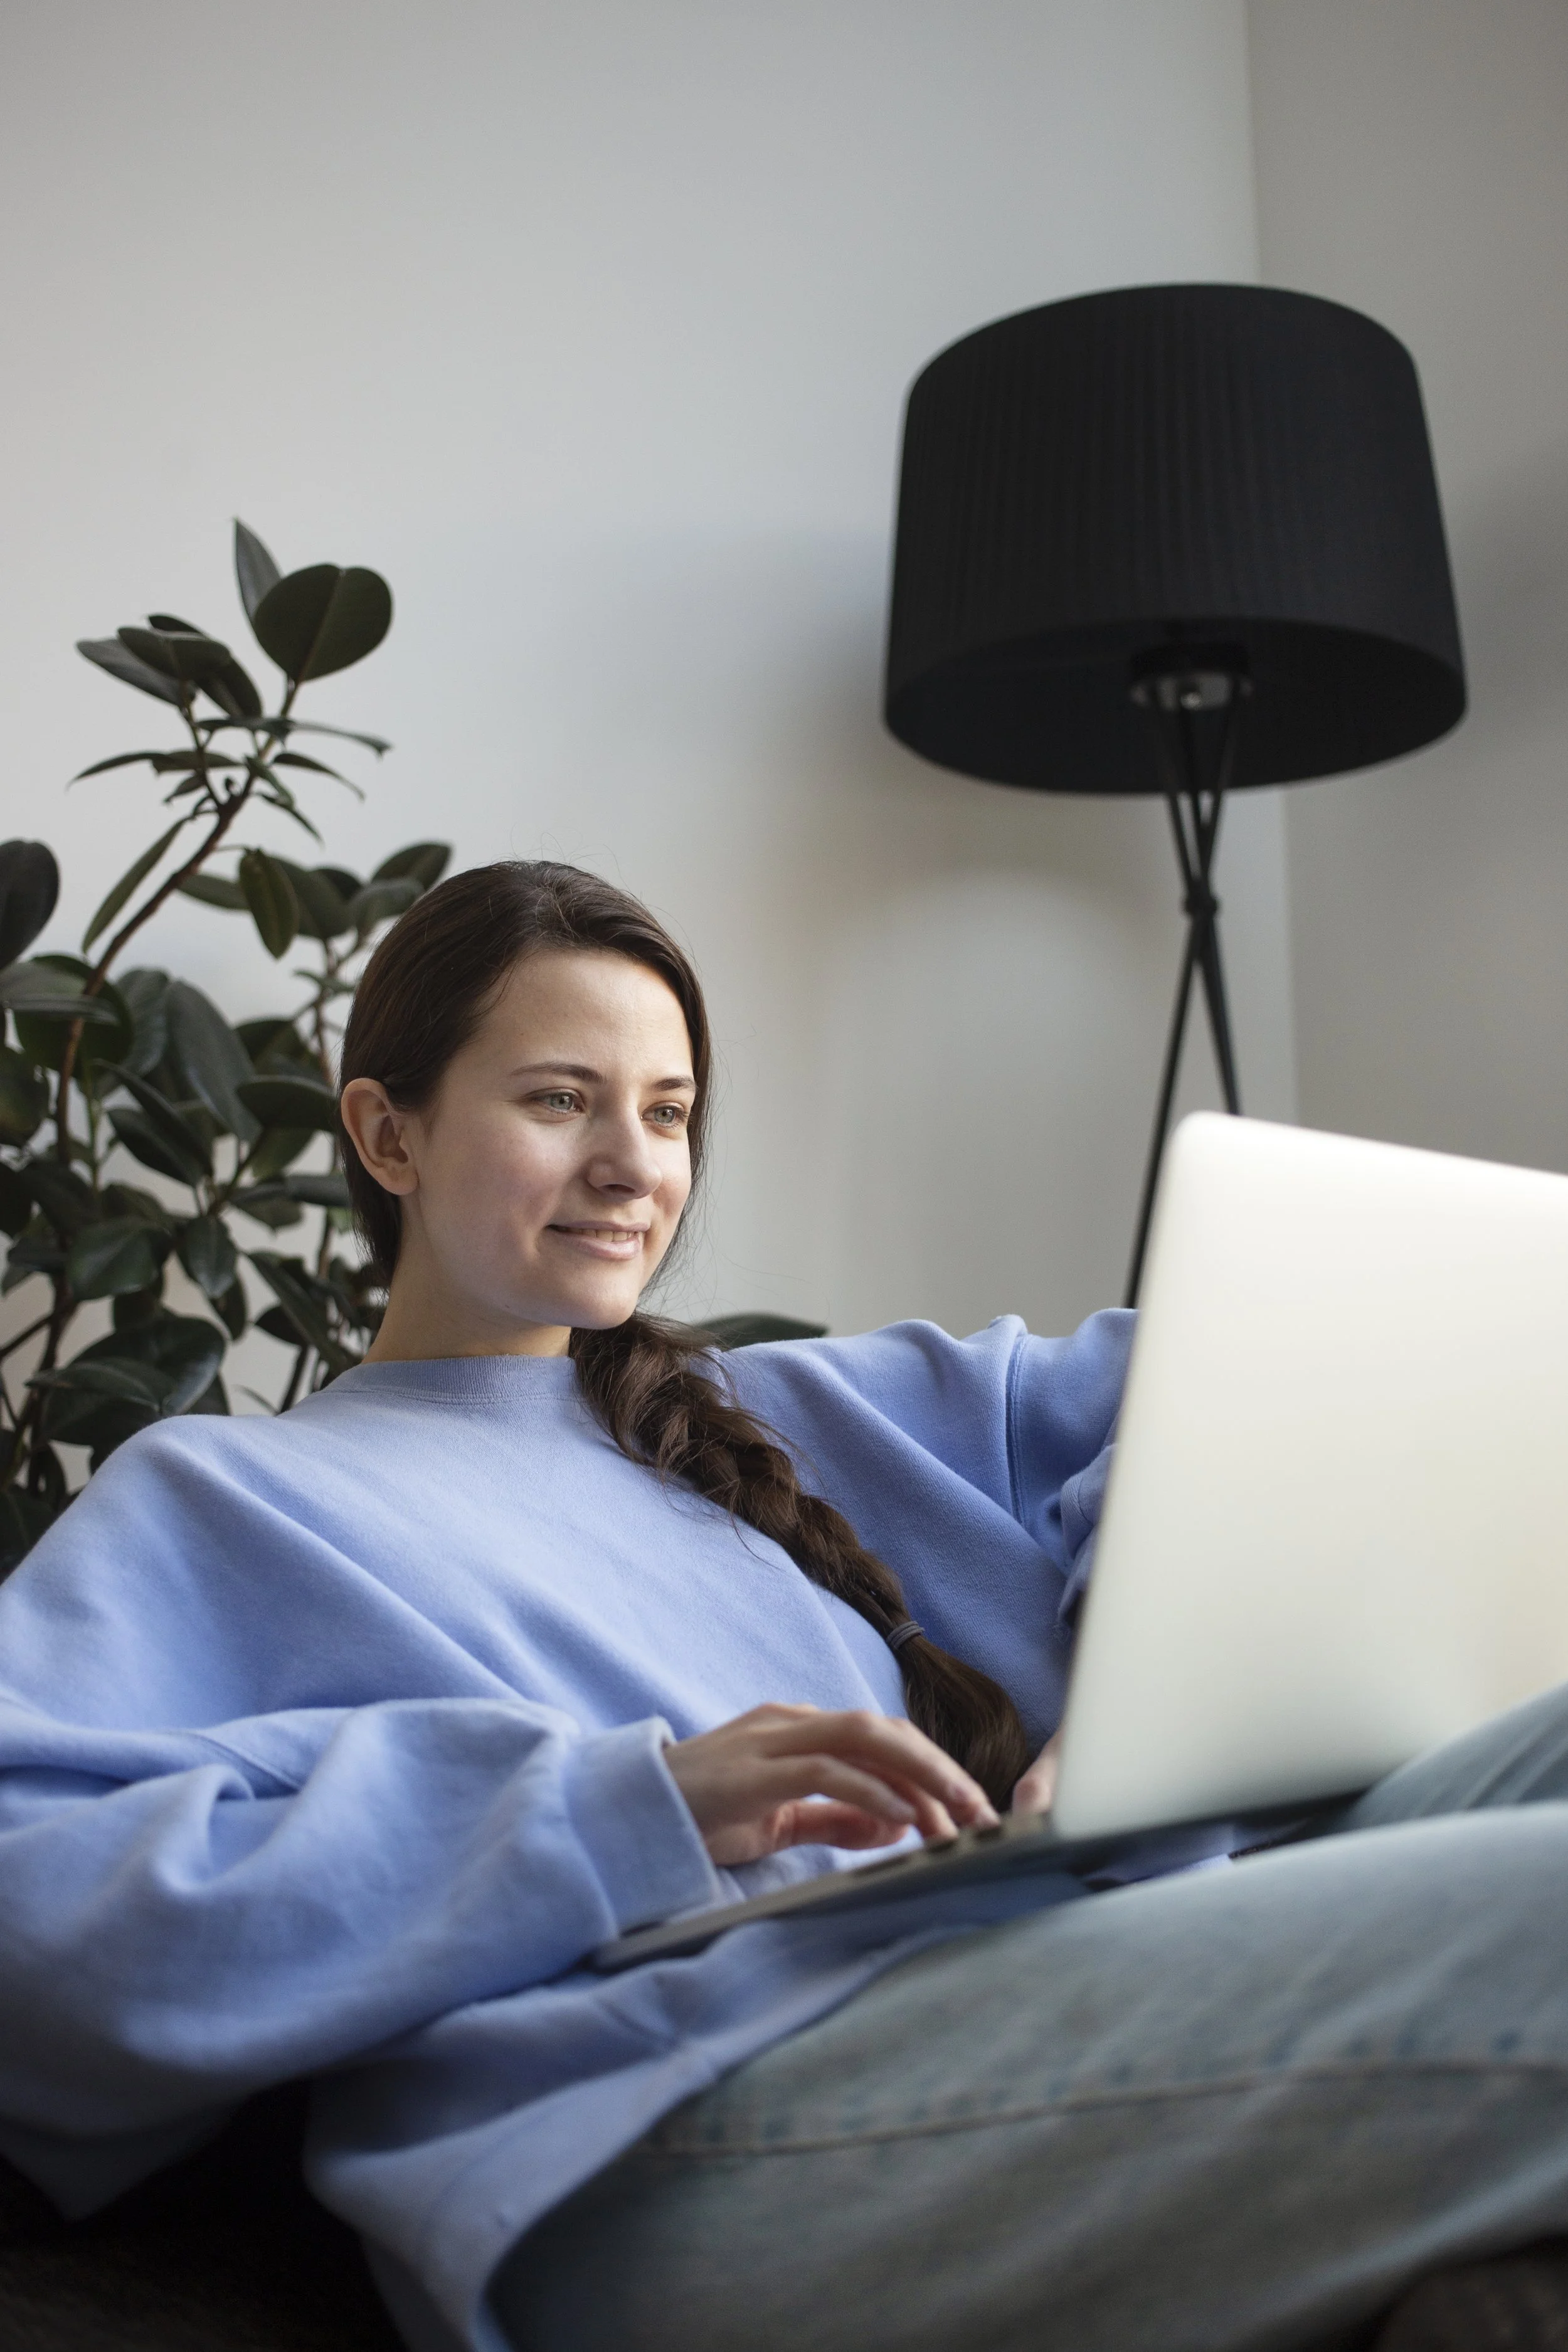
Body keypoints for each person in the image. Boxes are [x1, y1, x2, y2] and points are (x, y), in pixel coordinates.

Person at [2, 862, 1567, 2352]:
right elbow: (31, 1909)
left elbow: (1255, 1370)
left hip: (1046, 1970)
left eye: (668, 1113)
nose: (633, 1163)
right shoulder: (223, 1498)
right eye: (559, 1099)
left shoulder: (775, 1414)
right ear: (387, 1135)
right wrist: (628, 1807)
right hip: (674, 2129)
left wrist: (1142, 1693)